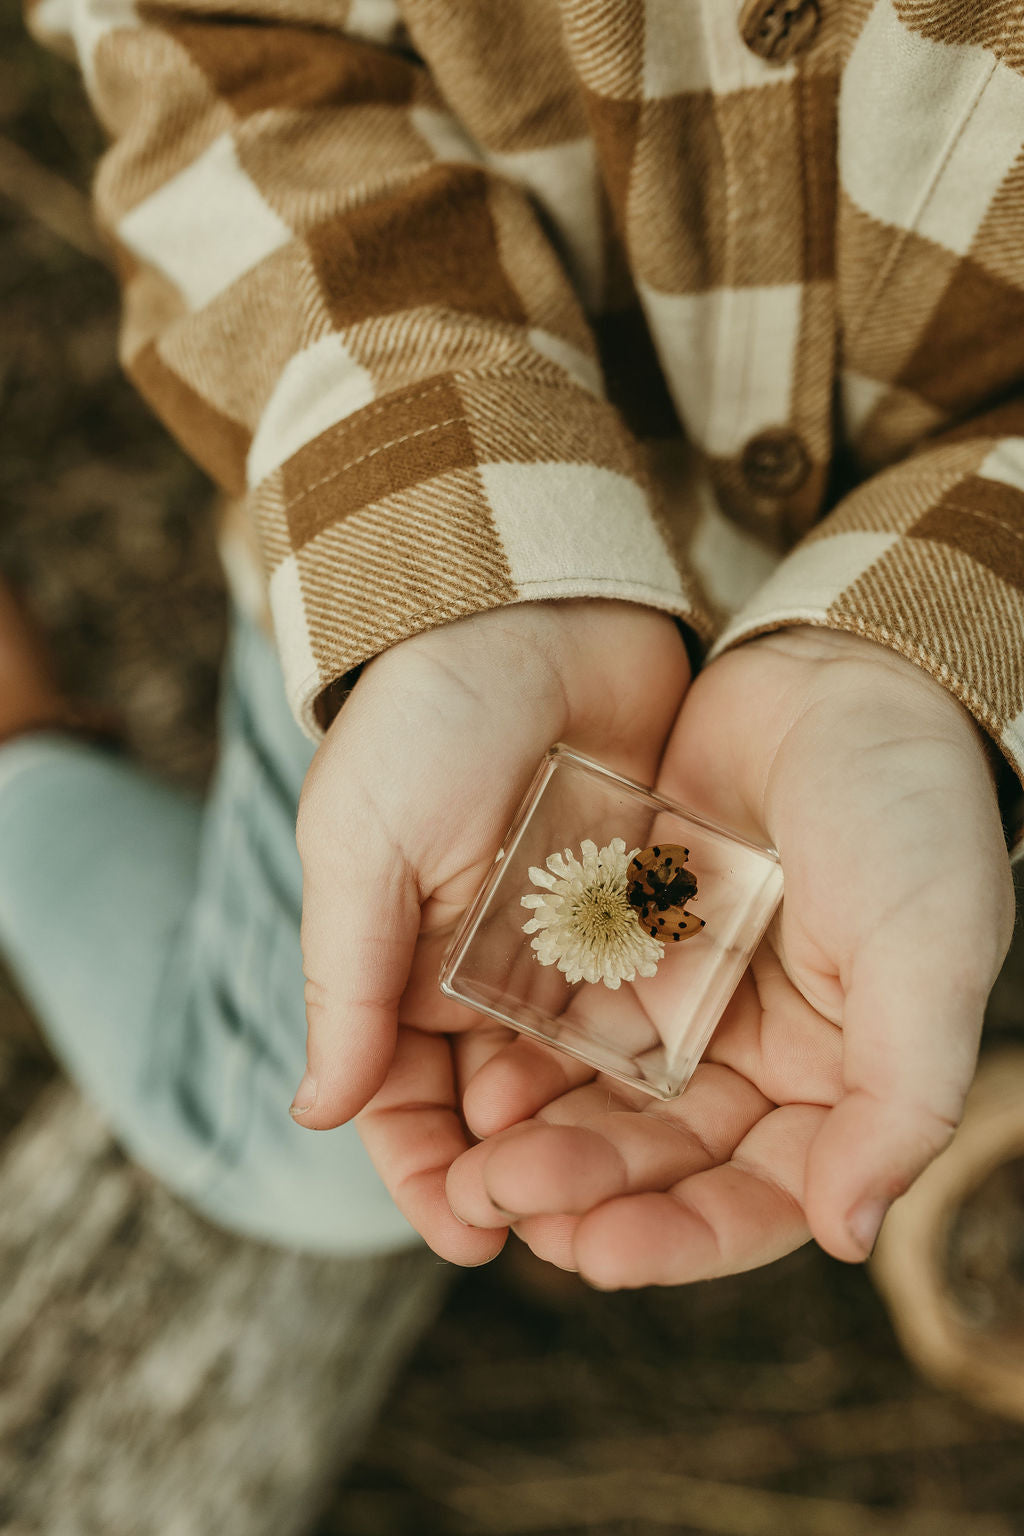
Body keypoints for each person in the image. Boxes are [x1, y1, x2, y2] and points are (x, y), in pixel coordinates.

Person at [9, 0, 1021, 1287]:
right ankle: (19, 757)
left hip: (937, 622)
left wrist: (948, 643)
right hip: (408, 555)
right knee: (265, 1134)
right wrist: (461, 583)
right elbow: (209, 42)